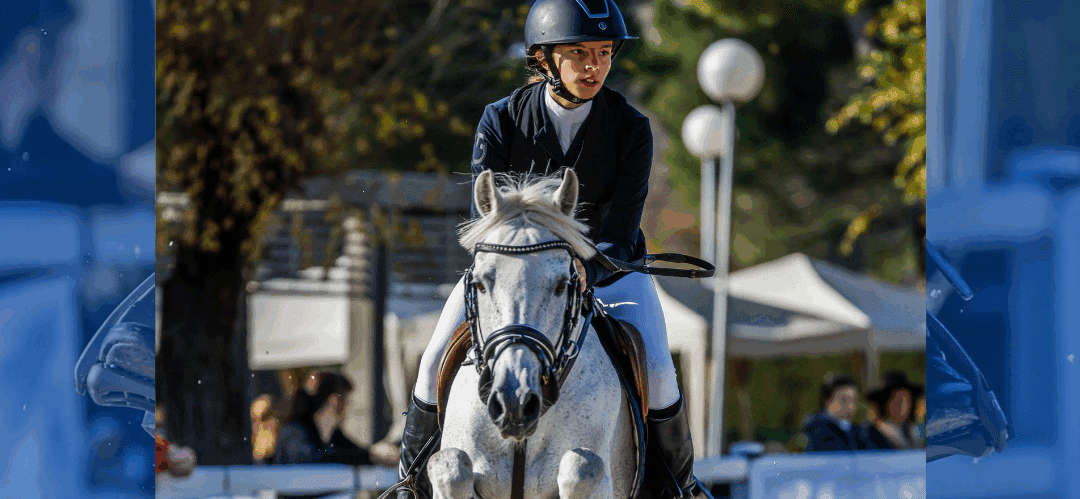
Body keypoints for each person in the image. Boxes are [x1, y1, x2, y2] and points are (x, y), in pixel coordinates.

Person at [396, 0, 712, 497]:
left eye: (604, 53)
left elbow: (623, 220)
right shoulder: (500, 119)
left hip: (610, 265)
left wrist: (585, 267)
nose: (594, 66)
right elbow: (487, 214)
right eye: (580, 53)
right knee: (434, 357)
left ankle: (678, 486)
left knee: (657, 366)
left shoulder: (631, 128)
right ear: (545, 58)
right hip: (510, 267)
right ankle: (409, 482)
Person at [273, 371, 372, 466]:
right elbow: (313, 459)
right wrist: (369, 455)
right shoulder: (294, 431)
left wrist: (373, 454)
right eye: (347, 399)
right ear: (334, 401)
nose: (349, 405)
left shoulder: (334, 435)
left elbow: (357, 452)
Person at [857, 370, 924, 450]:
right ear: (885, 403)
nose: (902, 406)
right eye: (897, 400)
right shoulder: (869, 433)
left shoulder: (911, 431)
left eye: (907, 400)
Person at [801, 373, 860, 452]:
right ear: (827, 401)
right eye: (844, 400)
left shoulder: (855, 431)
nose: (851, 407)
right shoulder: (817, 432)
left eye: (854, 400)